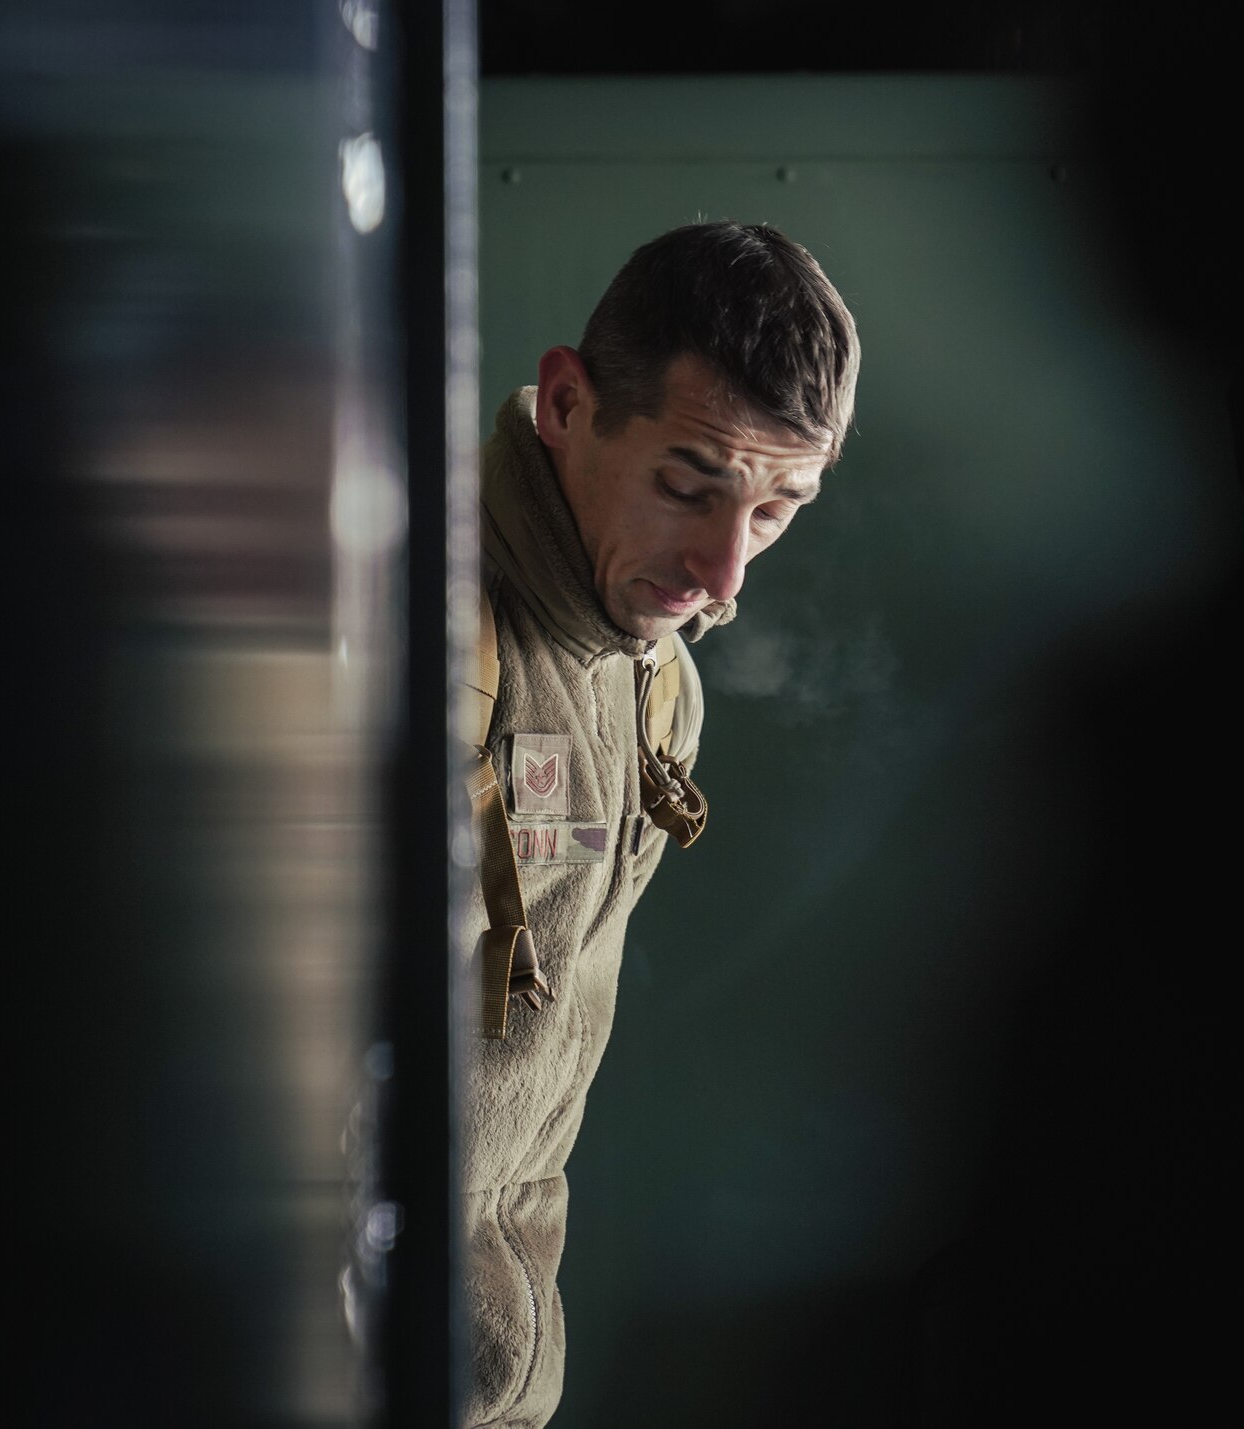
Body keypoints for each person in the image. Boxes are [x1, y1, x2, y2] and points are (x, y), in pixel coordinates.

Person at [456, 220, 860, 1428]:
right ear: (568, 404)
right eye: (689, 486)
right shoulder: (409, 637)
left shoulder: (655, 677)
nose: (725, 570)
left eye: (778, 509)